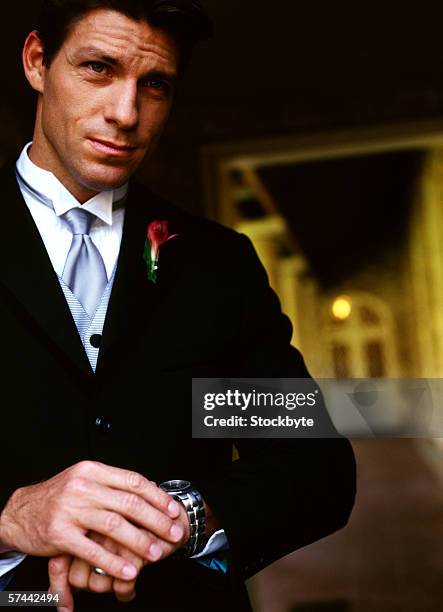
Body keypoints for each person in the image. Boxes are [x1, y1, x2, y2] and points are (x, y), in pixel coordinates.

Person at [0, 1, 356, 610]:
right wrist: (8, 517)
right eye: (98, 68)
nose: (126, 113)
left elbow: (315, 470)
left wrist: (175, 519)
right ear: (37, 62)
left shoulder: (217, 266)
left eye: (155, 85)